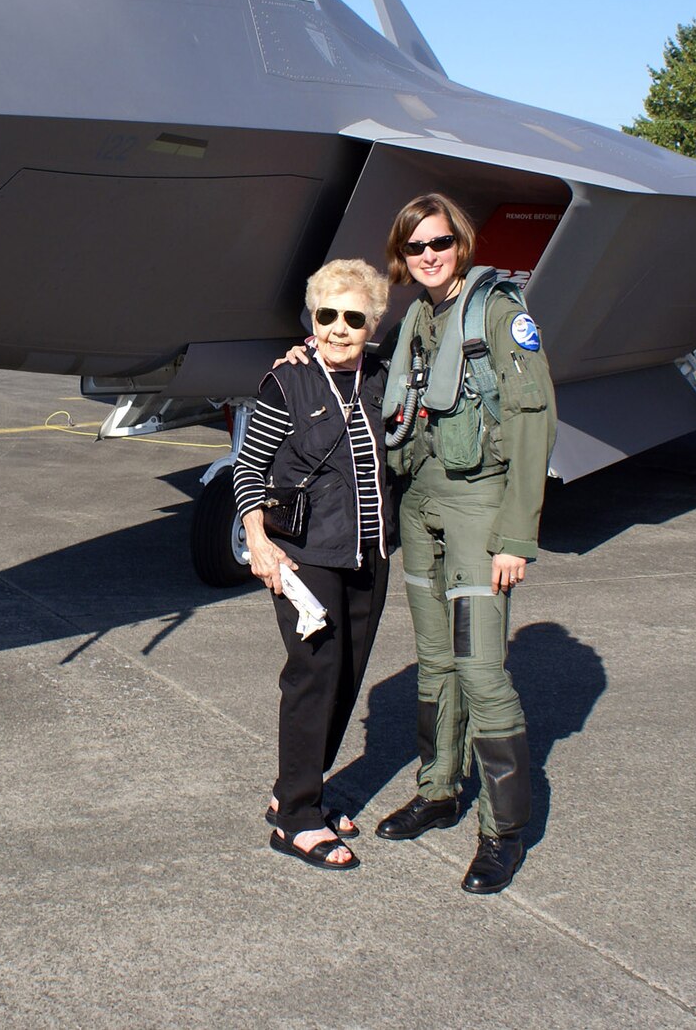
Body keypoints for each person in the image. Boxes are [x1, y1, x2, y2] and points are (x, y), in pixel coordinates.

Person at [371, 192, 557, 894]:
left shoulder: (500, 315)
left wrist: (517, 536)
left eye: (439, 242)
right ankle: (439, 788)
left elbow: (533, 419)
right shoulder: (418, 316)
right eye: (415, 247)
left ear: (461, 242)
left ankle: (503, 832)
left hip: (479, 507)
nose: (429, 256)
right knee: (434, 661)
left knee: (481, 669)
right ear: (402, 254)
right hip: (421, 503)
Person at [233, 259, 392, 871]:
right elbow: (249, 468)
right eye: (327, 315)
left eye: (354, 317)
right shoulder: (288, 382)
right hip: (304, 557)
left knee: (347, 678)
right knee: (313, 676)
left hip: (367, 553)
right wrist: (260, 543)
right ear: (313, 319)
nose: (339, 328)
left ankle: (297, 789)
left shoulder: (383, 379)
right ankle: (297, 817)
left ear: (373, 322)